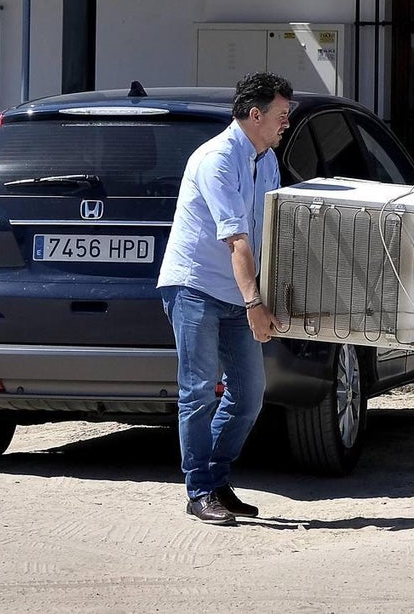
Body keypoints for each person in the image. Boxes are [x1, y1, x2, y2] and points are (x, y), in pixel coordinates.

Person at [158, 71, 291, 525]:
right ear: (255, 115)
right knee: (198, 391)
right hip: (195, 286)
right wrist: (255, 303)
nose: (286, 123)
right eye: (281, 115)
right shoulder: (217, 158)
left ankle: (215, 480)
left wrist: (264, 296)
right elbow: (237, 240)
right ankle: (199, 491)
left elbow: (270, 233)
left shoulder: (266, 159)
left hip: (238, 289)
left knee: (249, 394)